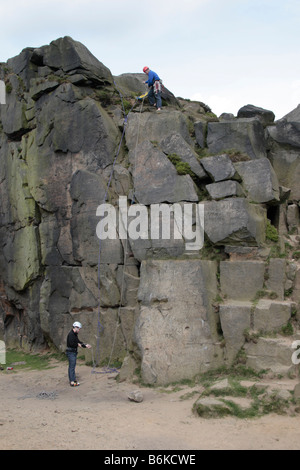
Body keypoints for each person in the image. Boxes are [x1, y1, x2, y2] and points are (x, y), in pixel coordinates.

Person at [66, 321, 91, 387]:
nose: (79, 330)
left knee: (73, 366)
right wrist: (78, 345)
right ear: (76, 327)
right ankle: (72, 381)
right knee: (72, 366)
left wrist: (85, 345)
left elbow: (78, 342)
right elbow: (71, 343)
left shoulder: (75, 334)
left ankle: (73, 379)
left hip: (73, 352)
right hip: (71, 352)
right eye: (79, 329)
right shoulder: (71, 334)